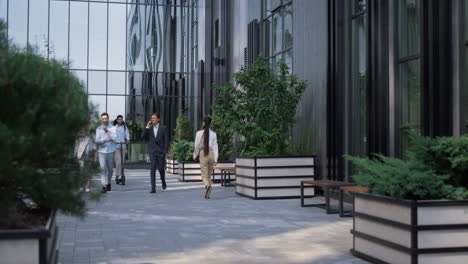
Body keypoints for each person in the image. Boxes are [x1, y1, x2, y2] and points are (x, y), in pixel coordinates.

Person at [141, 113, 169, 193]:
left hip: (161, 152)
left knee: (161, 169)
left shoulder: (163, 128)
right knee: (152, 169)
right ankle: (153, 188)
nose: (152, 119)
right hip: (152, 152)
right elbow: (142, 136)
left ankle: (163, 181)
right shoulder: (149, 129)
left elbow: (166, 140)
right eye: (151, 118)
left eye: (154, 118)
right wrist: (146, 126)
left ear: (158, 119)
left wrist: (165, 151)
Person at [193, 116, 218, 199]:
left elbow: (196, 145)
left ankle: (207, 185)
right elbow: (215, 147)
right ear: (210, 124)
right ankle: (208, 194)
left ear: (204, 123)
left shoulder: (199, 133)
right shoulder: (214, 134)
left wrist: (194, 155)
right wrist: (216, 159)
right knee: (209, 174)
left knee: (204, 175)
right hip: (211, 154)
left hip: (203, 153)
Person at [95, 112, 117, 193]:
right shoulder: (98, 128)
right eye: (103, 119)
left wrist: (107, 131)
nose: (104, 120)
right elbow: (97, 140)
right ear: (101, 119)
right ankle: (104, 185)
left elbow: (115, 138)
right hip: (102, 151)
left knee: (110, 169)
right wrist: (104, 140)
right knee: (103, 169)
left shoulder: (113, 127)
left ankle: (108, 183)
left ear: (108, 118)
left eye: (106, 118)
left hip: (111, 151)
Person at [74, 122, 96, 192]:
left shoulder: (92, 135)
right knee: (81, 171)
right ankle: (80, 186)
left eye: (88, 126)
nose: (87, 127)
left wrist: (96, 156)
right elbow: (76, 145)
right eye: (86, 126)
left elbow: (96, 146)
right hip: (81, 155)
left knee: (88, 172)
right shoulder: (80, 134)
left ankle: (86, 186)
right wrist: (75, 154)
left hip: (89, 155)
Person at [113, 115, 130, 185]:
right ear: (117, 120)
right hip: (116, 147)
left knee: (122, 162)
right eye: (119, 119)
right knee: (118, 162)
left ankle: (121, 175)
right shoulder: (114, 128)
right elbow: (111, 135)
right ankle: (117, 175)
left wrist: (128, 139)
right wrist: (114, 140)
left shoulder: (125, 128)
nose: (120, 120)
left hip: (123, 146)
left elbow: (127, 135)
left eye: (121, 119)